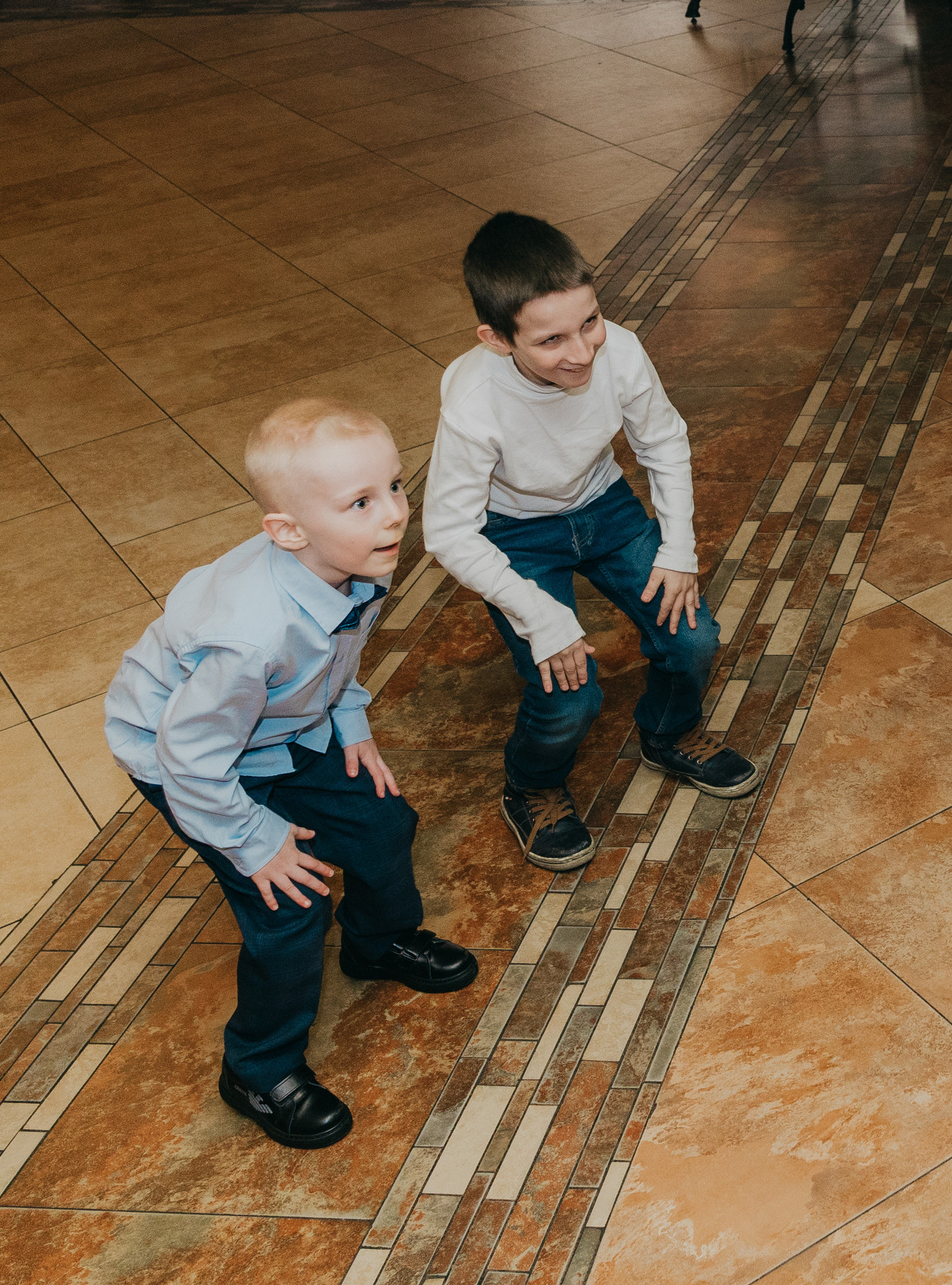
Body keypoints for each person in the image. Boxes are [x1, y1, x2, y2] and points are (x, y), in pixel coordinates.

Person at [106, 400, 479, 1150]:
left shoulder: (354, 561)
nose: (394, 514)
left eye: (395, 486)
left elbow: (335, 656)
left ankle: (377, 942)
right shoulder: (251, 635)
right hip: (193, 764)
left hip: (280, 728)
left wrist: (350, 721)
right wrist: (255, 840)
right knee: (291, 907)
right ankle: (257, 1068)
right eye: (361, 502)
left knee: (382, 822)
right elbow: (191, 756)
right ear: (288, 530)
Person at [424, 213, 759, 876]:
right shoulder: (474, 399)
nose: (581, 351)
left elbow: (663, 440)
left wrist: (678, 548)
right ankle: (532, 785)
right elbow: (448, 531)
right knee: (568, 693)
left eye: (590, 321)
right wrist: (540, 615)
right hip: (514, 533)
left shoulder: (620, 351)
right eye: (551, 339)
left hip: (604, 506)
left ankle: (668, 732)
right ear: (496, 339)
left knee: (693, 639)